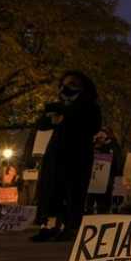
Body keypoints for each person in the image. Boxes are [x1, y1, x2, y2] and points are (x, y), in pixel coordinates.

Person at [30, 72, 102, 242]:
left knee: (72, 190)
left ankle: (69, 226)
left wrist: (65, 115)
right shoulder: (58, 105)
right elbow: (42, 124)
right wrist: (52, 119)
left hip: (77, 154)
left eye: (71, 83)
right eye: (63, 83)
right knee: (51, 188)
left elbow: (92, 126)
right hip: (56, 152)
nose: (66, 87)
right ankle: (48, 225)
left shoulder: (90, 106)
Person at [84, 128, 123, 215]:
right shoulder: (94, 146)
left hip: (106, 180)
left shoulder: (113, 147)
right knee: (91, 198)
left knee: (103, 203)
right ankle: (89, 210)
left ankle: (102, 212)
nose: (99, 139)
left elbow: (117, 163)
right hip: (93, 180)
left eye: (101, 137)